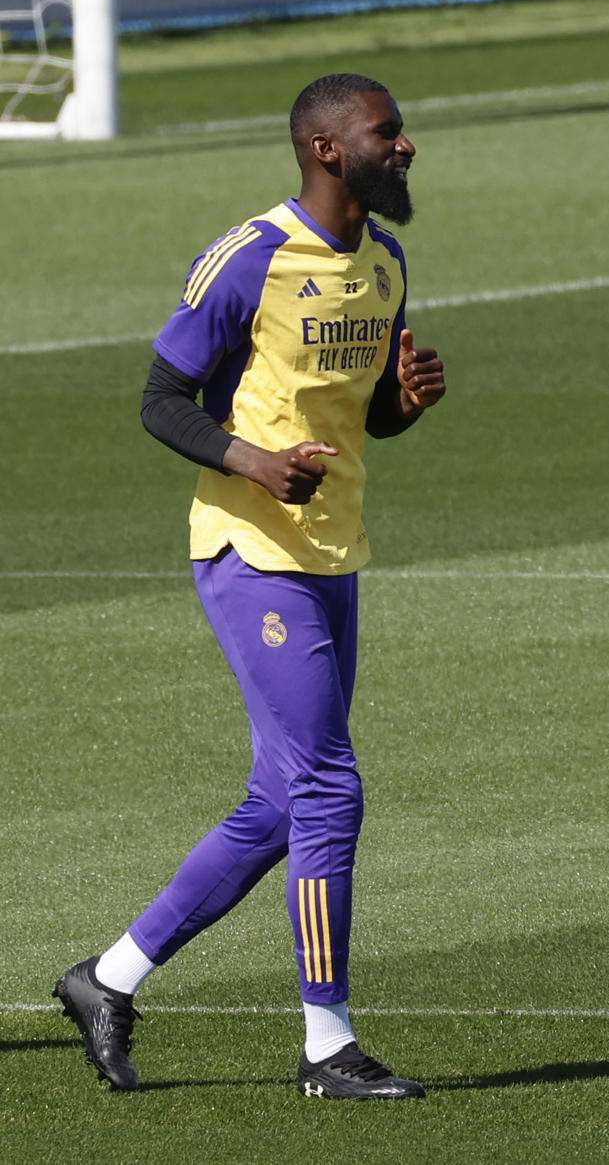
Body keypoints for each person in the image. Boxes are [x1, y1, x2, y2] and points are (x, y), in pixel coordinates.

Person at [53, 73, 443, 1100]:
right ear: (327, 148)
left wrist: (402, 403)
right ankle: (328, 1045)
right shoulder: (249, 259)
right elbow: (158, 397)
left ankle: (107, 977)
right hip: (245, 551)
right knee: (329, 787)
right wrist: (250, 461)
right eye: (385, 132)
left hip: (331, 552)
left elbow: (362, 418)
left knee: (281, 802)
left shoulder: (386, 264)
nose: (404, 146)